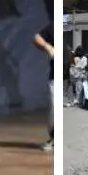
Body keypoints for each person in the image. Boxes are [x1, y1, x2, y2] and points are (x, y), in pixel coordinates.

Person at [33, 23, 55, 151]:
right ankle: (54, 139)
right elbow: (37, 37)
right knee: (55, 110)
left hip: (67, 76)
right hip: (56, 76)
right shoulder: (55, 26)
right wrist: (48, 47)